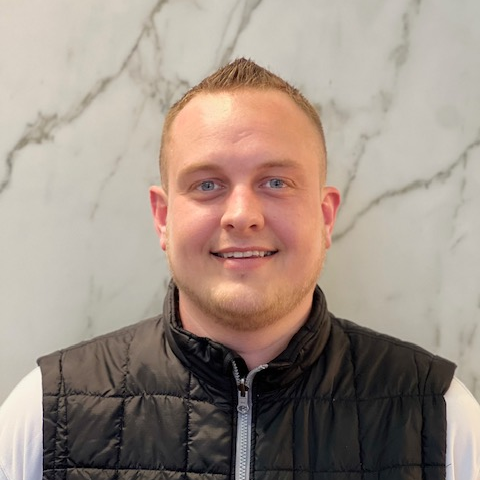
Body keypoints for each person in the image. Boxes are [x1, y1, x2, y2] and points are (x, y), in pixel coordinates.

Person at [1, 58, 479, 480]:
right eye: (207, 184)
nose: (242, 215)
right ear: (163, 218)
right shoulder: (45, 415)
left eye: (276, 182)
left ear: (325, 216)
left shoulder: (439, 417)